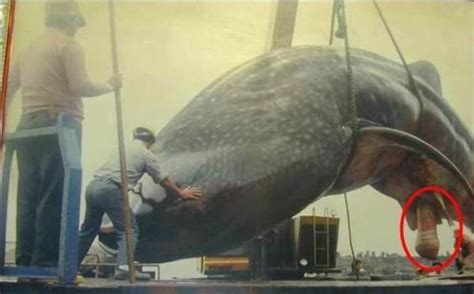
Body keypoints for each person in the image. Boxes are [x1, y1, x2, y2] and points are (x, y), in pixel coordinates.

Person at [6, 0, 122, 267]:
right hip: (59, 123)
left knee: (28, 194)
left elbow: (9, 88)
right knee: (54, 194)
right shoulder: (69, 47)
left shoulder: (27, 50)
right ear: (70, 20)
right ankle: (46, 261)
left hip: (27, 125)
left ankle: (26, 259)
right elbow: (79, 86)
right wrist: (110, 85)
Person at [77, 127, 202, 280]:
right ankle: (124, 268)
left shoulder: (120, 149)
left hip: (93, 187)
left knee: (88, 231)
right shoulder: (145, 154)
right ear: (149, 142)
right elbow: (163, 179)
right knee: (129, 230)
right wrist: (181, 193)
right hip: (111, 189)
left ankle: (72, 266)